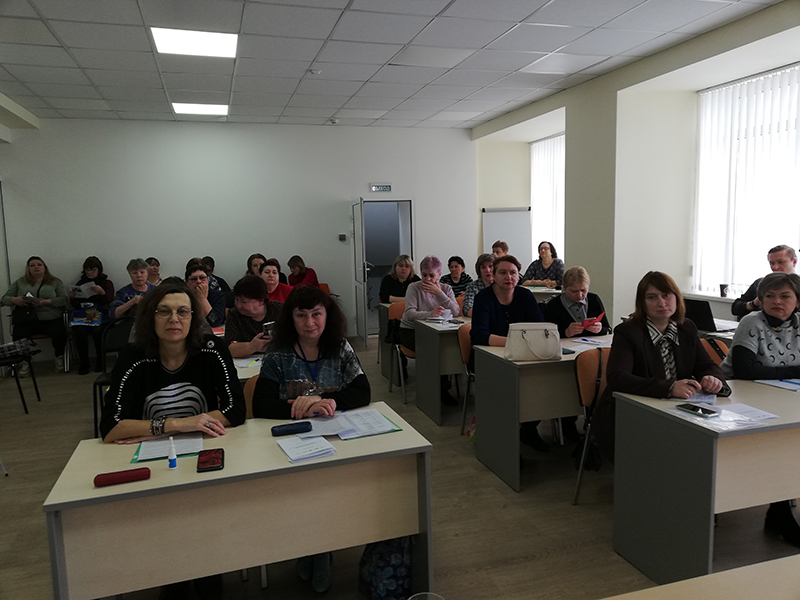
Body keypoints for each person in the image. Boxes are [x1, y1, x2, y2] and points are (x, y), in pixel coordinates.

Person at [100, 284, 245, 599]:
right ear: (150, 318)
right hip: (152, 461)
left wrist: (159, 428)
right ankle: (174, 579)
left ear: (194, 318)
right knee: (169, 528)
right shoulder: (133, 356)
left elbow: (236, 410)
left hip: (204, 453)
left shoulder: (211, 349)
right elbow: (110, 427)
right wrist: (176, 425)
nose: (174, 319)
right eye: (163, 311)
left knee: (204, 526)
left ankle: (206, 578)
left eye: (183, 311)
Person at [252, 285, 370, 594]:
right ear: (290, 318)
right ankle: (308, 548)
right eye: (301, 315)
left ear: (327, 316)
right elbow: (261, 404)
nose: (310, 323)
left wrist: (325, 401)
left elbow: (362, 391)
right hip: (291, 440)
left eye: (316, 314)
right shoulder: (278, 353)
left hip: (336, 437)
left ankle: (321, 550)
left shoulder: (339, 347)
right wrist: (301, 409)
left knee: (330, 490)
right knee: (301, 493)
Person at [592, 271, 728, 461]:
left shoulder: (686, 327)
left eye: (666, 295)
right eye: (652, 297)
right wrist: (670, 388)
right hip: (632, 414)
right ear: (642, 303)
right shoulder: (628, 332)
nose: (661, 303)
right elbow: (618, 378)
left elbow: (706, 364)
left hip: (677, 410)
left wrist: (712, 378)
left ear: (676, 297)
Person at [720, 272, 800, 548]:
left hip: (783, 397)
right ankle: (780, 512)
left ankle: (778, 511)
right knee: (776, 444)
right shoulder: (751, 322)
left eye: (785, 296)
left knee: (790, 442)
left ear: (797, 301)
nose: (777, 302)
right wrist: (795, 370)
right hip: (738, 398)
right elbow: (745, 371)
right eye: (770, 296)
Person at [469, 255, 549, 450]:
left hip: (523, 356)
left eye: (513, 272)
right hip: (487, 358)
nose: (508, 277)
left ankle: (528, 429)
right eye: (503, 272)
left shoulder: (525, 295)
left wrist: (521, 343)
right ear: (494, 276)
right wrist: (513, 342)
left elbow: (539, 327)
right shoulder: (483, 297)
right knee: (506, 389)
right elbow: (478, 335)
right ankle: (503, 441)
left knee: (544, 383)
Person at [399, 256, 460, 405]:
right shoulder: (414, 287)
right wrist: (430, 314)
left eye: (431, 275)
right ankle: (435, 390)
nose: (427, 279)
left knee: (447, 348)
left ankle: (442, 388)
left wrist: (439, 293)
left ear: (439, 274)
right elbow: (410, 313)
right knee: (434, 350)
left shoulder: (446, 288)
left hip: (437, 330)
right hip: (411, 330)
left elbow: (456, 311)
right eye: (424, 275)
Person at [1, 256, 69, 373]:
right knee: (18, 334)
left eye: (39, 265)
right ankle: (24, 361)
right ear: (28, 269)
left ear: (44, 267)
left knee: (59, 333)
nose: (36, 267)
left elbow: (64, 299)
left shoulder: (55, 282)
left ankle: (59, 357)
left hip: (50, 317)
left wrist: (46, 302)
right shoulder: (20, 282)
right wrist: (15, 300)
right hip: (27, 318)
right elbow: (4, 299)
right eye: (32, 265)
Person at [68, 256, 115, 374]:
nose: (90, 272)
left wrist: (102, 292)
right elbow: (76, 305)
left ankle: (100, 361)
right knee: (80, 331)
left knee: (98, 331)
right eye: (87, 270)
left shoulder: (106, 283)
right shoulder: (81, 283)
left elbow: (110, 300)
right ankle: (84, 363)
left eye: (93, 269)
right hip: (84, 315)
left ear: (99, 270)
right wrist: (72, 298)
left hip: (101, 314)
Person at [731, 244, 797, 319]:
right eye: (772, 263)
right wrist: (754, 303)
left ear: (794, 262)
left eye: (781, 262)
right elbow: (735, 308)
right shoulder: (760, 283)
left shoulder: (797, 286)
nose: (775, 267)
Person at [542, 266, 610, 338]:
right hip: (565, 344)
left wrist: (600, 329)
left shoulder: (594, 299)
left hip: (593, 343)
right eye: (574, 291)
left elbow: (608, 329)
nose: (579, 295)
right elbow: (546, 334)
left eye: (583, 290)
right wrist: (566, 332)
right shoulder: (553, 305)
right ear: (564, 289)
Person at [225, 275, 282, 358]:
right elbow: (230, 348)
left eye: (244, 302)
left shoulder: (280, 311)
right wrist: (252, 346)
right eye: (236, 299)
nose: (238, 305)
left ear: (261, 301)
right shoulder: (234, 314)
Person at [185, 262, 226, 327]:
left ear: (207, 281)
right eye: (193, 279)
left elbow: (215, 321)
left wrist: (203, 299)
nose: (198, 281)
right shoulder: (183, 296)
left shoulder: (218, 296)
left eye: (202, 278)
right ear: (187, 283)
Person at [462, 253, 494, 317]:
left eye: (490, 266)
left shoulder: (502, 285)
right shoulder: (472, 286)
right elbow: (467, 308)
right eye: (483, 267)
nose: (487, 270)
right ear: (479, 270)